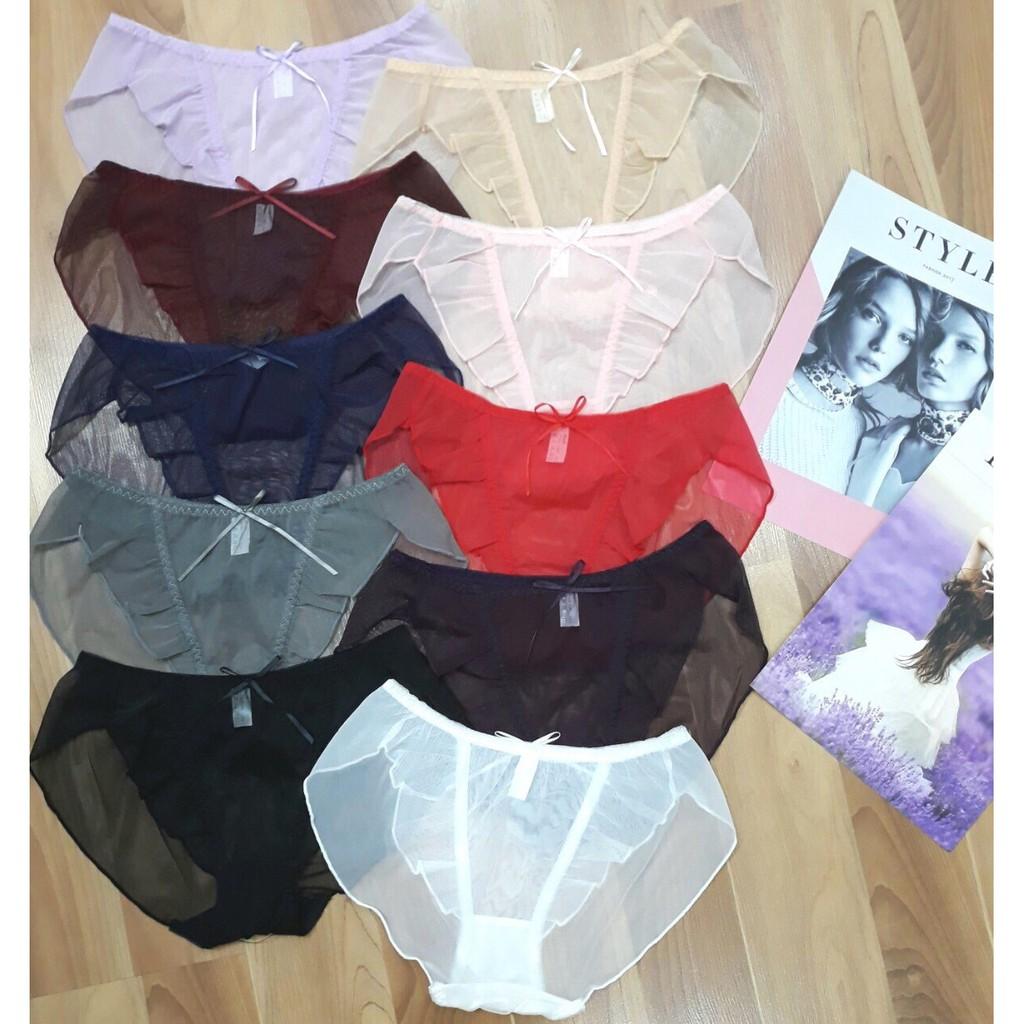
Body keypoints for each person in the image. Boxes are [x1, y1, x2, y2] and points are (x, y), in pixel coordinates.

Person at [798, 528, 994, 770]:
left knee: (848, 710)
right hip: (935, 695)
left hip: (909, 661)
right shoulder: (994, 634)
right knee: (880, 753)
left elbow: (983, 535)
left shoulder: (965, 592)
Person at [759, 256, 932, 493]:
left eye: (905, 338)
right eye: (872, 316)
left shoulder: (859, 429)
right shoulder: (768, 384)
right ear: (842, 304)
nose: (882, 345)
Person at [846, 294, 993, 511]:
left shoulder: (989, 475)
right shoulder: (871, 438)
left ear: (991, 368)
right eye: (934, 335)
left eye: (965, 345)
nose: (937, 354)